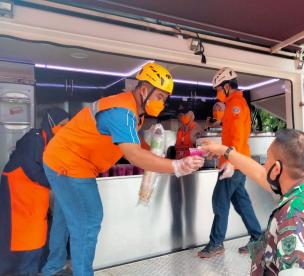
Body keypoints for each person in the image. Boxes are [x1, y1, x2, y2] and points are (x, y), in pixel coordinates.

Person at [41, 63, 204, 275]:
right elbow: (134, 155)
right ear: (144, 89)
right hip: (69, 164)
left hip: (63, 160)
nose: (162, 104)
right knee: (88, 221)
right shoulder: (122, 112)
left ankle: (53, 268)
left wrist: (156, 148)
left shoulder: (136, 114)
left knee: (66, 217)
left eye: (164, 99)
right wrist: (176, 166)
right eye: (159, 97)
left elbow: (138, 146)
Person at [201, 129, 304, 275]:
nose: (264, 165)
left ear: (277, 169)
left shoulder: (293, 218)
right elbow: (259, 173)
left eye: (267, 159)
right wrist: (223, 150)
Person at [198, 67, 262, 258]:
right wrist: (220, 154)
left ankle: (216, 243)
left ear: (226, 86)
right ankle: (258, 238)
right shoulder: (236, 104)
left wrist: (231, 162)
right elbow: (231, 139)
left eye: (218, 89)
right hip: (235, 162)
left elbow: (237, 137)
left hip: (233, 164)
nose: (217, 94)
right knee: (241, 202)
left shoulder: (235, 105)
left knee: (220, 201)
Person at [0, 108, 69, 275]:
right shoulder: (33, 139)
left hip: (34, 204)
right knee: (20, 245)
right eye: (62, 125)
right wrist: (60, 181)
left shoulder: (51, 143)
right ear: (51, 123)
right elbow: (34, 171)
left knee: (36, 241)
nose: (65, 129)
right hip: (18, 201)